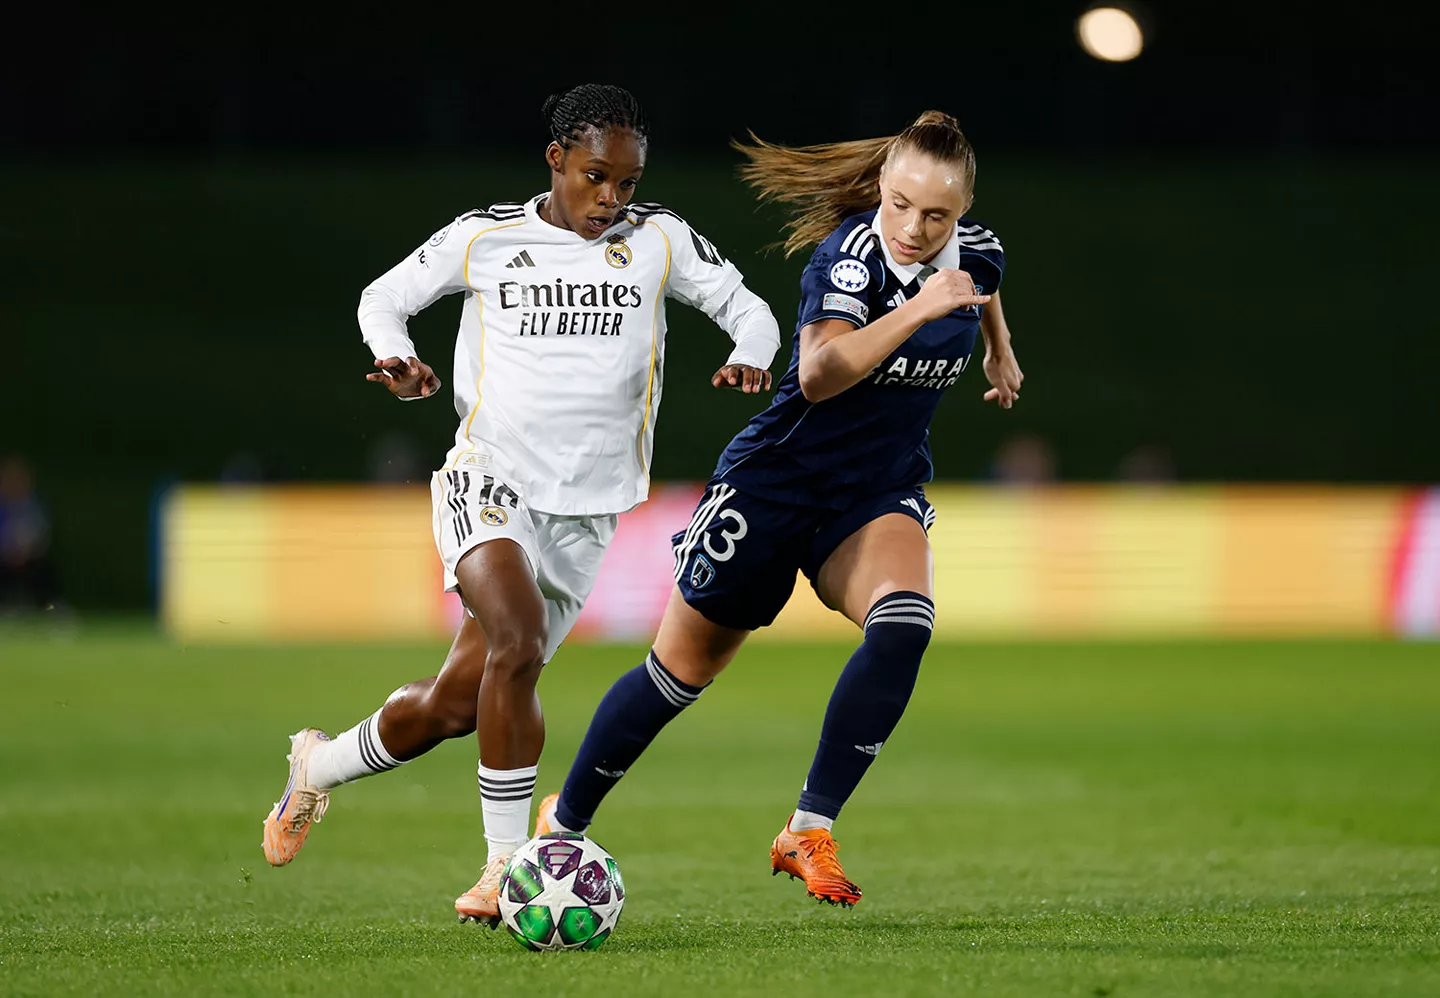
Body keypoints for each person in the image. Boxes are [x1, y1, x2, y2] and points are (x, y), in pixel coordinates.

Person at [260, 84, 780, 925]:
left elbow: (749, 311)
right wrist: (398, 358)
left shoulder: (659, 240)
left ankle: (316, 769)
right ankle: (507, 866)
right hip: (490, 476)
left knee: (458, 706)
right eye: (595, 176)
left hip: (590, 510)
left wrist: (751, 355)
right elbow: (382, 298)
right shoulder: (486, 236)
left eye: (627, 182)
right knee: (517, 638)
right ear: (557, 161)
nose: (611, 198)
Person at [532, 110, 1024, 907]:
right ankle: (565, 819)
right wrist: (922, 310)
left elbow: (982, 282)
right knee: (679, 675)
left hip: (873, 493)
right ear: (882, 188)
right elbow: (824, 370)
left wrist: (999, 349)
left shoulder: (977, 254)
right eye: (898, 204)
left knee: (905, 627)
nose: (911, 226)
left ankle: (809, 826)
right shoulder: (852, 260)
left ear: (962, 213)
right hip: (774, 485)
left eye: (936, 215)